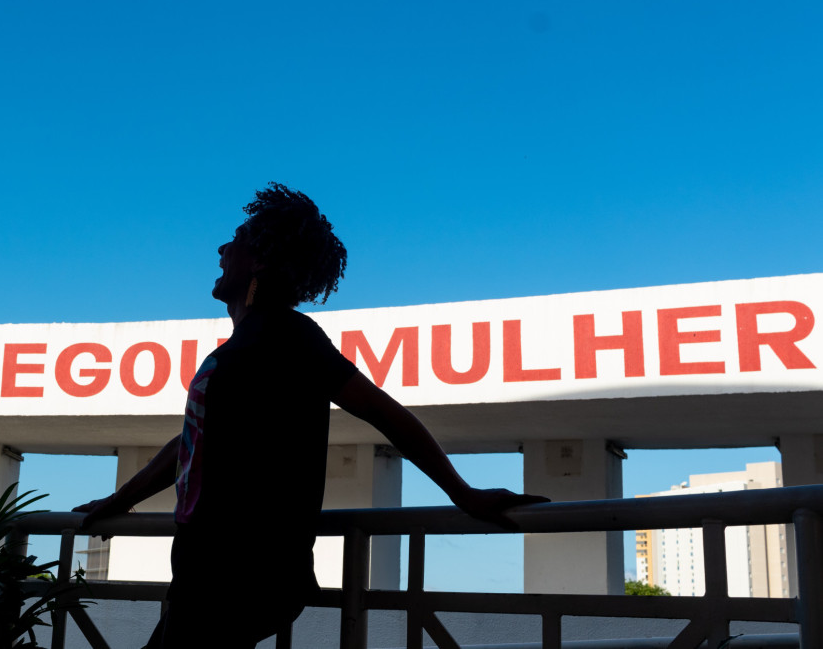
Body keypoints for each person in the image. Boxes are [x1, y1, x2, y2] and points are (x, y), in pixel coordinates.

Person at [73, 183, 548, 648]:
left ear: (259, 259)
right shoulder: (243, 346)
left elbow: (385, 413)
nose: (221, 250)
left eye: (234, 241)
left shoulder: (291, 336)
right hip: (207, 572)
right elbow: (192, 442)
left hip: (239, 576)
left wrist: (462, 492)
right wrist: (118, 499)